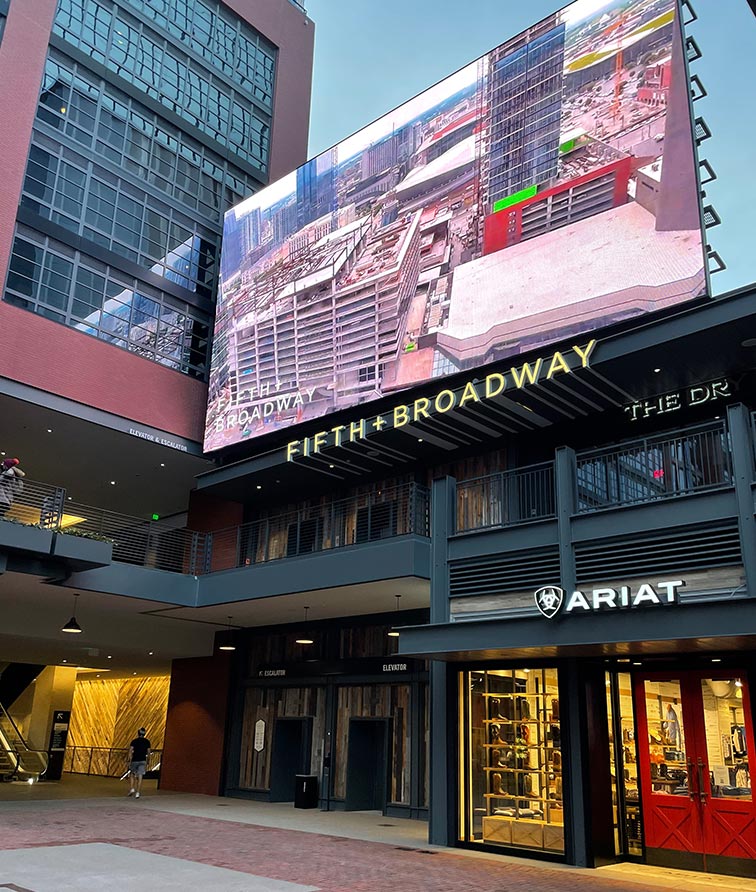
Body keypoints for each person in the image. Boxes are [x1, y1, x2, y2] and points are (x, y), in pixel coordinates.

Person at [127, 727, 151, 799]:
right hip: (143, 760)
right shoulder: (147, 742)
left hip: (135, 760)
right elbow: (149, 752)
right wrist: (148, 760)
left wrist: (129, 759)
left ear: (138, 733)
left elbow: (130, 751)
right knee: (140, 776)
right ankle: (138, 792)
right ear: (144, 734)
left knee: (132, 774)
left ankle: (132, 788)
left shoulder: (134, 741)